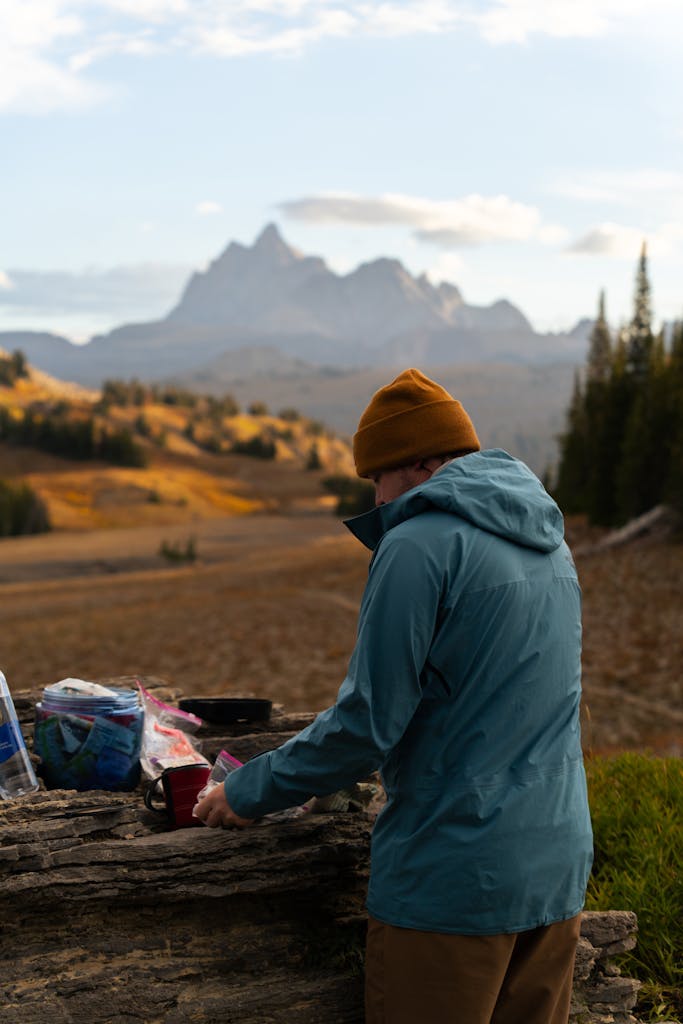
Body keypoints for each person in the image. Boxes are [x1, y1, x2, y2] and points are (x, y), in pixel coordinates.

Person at [194, 367, 594, 1024]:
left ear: (414, 461)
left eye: (375, 477)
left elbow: (366, 725)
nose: (376, 499)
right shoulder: (546, 538)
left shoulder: (416, 543)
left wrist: (245, 792)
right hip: (554, 865)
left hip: (453, 881)